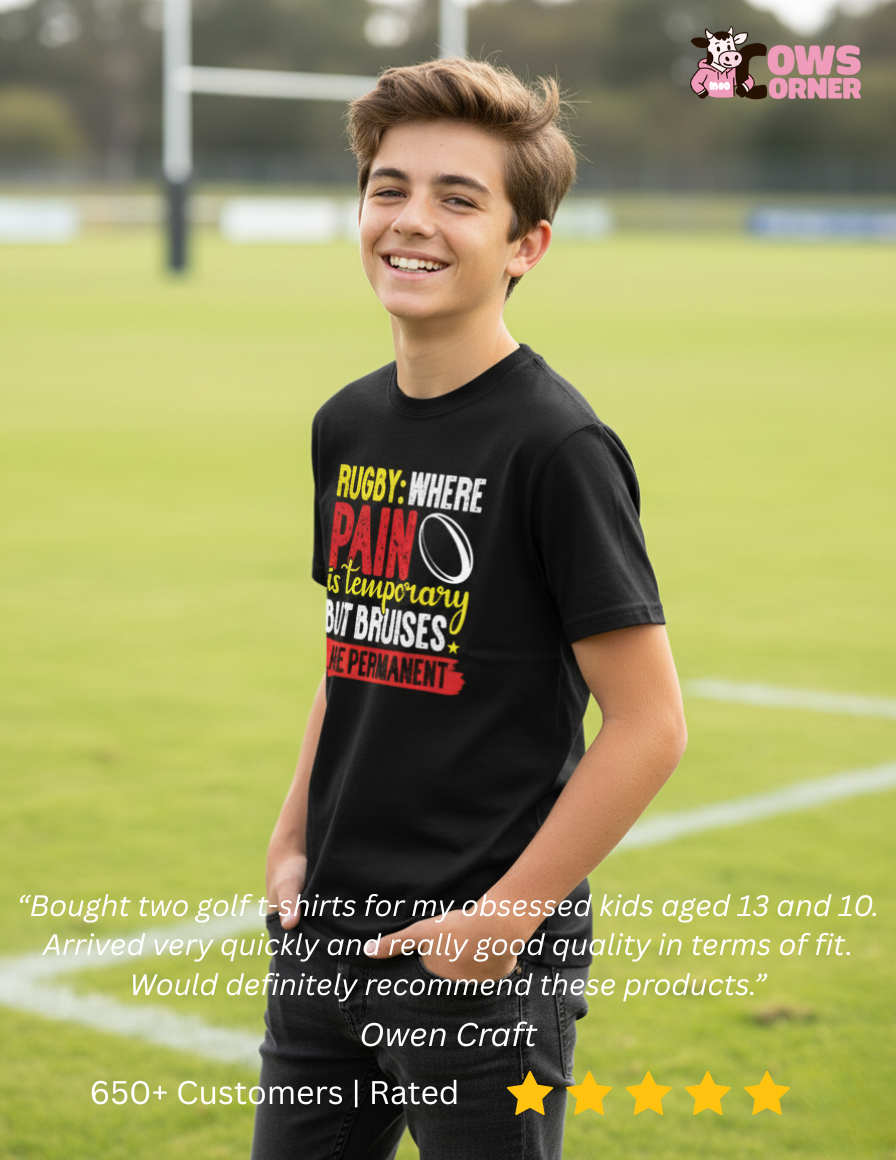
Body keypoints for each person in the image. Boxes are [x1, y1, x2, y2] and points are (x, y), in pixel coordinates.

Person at [251, 57, 687, 1160]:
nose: (411, 220)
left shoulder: (555, 446)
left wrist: (503, 921)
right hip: (324, 938)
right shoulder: (345, 424)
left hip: (473, 965)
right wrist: (293, 833)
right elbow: (355, 646)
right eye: (388, 187)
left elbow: (648, 723)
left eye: (458, 197)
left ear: (525, 243)